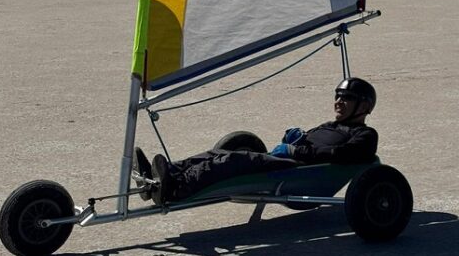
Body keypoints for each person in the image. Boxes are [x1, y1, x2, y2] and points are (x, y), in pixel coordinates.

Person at [132, 77, 379, 205]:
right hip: (289, 159)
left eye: (347, 98)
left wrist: (297, 150)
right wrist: (296, 138)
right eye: (337, 96)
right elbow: (311, 143)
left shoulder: (365, 135)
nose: (338, 101)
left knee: (235, 160)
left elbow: (342, 155)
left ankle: (176, 189)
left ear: (364, 106)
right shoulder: (329, 125)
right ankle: (165, 173)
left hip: (302, 170)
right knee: (215, 155)